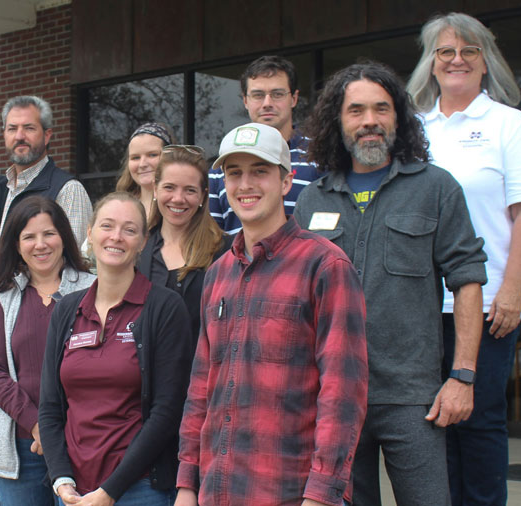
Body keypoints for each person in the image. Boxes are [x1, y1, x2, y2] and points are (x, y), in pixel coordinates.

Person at [294, 61, 488, 506]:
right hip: (334, 396)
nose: (369, 122)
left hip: (413, 398)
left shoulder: (436, 188)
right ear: (337, 121)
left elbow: (468, 280)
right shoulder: (313, 199)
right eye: (356, 110)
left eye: (381, 109)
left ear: (398, 117)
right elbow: (299, 300)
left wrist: (462, 376)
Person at [175, 124, 368, 506]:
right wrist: (186, 484)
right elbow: (201, 388)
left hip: (291, 493)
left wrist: (322, 495)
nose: (245, 184)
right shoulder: (217, 275)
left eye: (260, 171)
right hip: (217, 491)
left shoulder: (326, 266)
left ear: (286, 181)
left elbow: (343, 394)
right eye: (234, 173)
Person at [408, 13, 521, 505]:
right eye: (445, 51)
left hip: (488, 302)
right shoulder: (415, 130)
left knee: (480, 419)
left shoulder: (511, 125)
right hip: (422, 306)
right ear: (430, 63)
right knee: (431, 420)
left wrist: (512, 291)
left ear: (486, 63)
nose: (457, 60)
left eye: (469, 51)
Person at [39, 192, 192, 506]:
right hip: (72, 493)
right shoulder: (68, 309)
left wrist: (110, 491)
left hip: (138, 489)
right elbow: (50, 407)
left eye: (129, 229)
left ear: (143, 241)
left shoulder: (164, 308)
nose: (116, 237)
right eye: (107, 226)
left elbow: (167, 411)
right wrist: (61, 480)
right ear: (90, 232)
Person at [0, 196, 95, 505]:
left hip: (82, 445)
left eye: (49, 234)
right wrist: (36, 423)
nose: (40, 244)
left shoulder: (93, 290)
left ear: (64, 238)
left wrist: (55, 430)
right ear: (17, 245)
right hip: (21, 447)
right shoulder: (3, 298)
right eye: (29, 236)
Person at [208, 55, 318, 234]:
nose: (267, 103)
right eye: (258, 95)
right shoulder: (219, 169)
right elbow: (213, 240)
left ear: (294, 98)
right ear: (245, 100)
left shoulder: (319, 155)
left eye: (277, 94)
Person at [136, 144, 230, 348]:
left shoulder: (224, 251)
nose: (178, 199)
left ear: (203, 196)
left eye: (189, 190)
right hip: (147, 375)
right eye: (169, 187)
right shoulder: (137, 250)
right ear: (155, 188)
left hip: (202, 375)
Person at [0, 95, 93, 256]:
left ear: (47, 135)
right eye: (12, 128)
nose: (19, 136)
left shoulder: (68, 190)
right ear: (4, 135)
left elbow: (73, 262)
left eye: (29, 128)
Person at [115, 122, 174, 216]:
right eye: (136, 157)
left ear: (170, 157)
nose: (142, 164)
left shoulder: (178, 206)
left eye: (152, 155)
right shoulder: (118, 208)